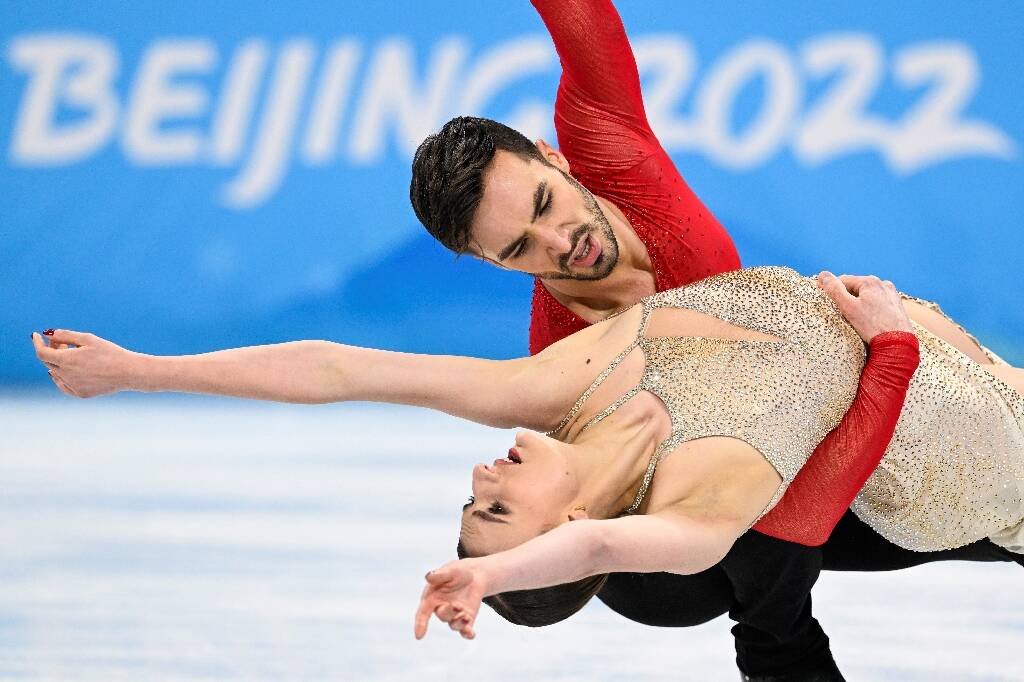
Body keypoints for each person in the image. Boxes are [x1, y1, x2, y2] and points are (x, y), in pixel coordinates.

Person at [409, 1, 1019, 679]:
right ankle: (775, 644)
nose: (562, 245)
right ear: (491, 264)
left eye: (547, 205)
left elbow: (582, 17)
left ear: (555, 158)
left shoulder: (610, 149)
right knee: (739, 513)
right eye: (520, 249)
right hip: (748, 526)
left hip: (858, 442)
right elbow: (591, 531)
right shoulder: (569, 367)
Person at [30, 269, 1024, 646]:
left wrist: (143, 367)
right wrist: (490, 573)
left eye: (476, 504)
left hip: (984, 379)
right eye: (495, 510)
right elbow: (590, 561)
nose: (478, 478)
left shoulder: (560, 383)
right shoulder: (694, 505)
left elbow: (341, 366)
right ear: (573, 527)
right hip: (978, 473)